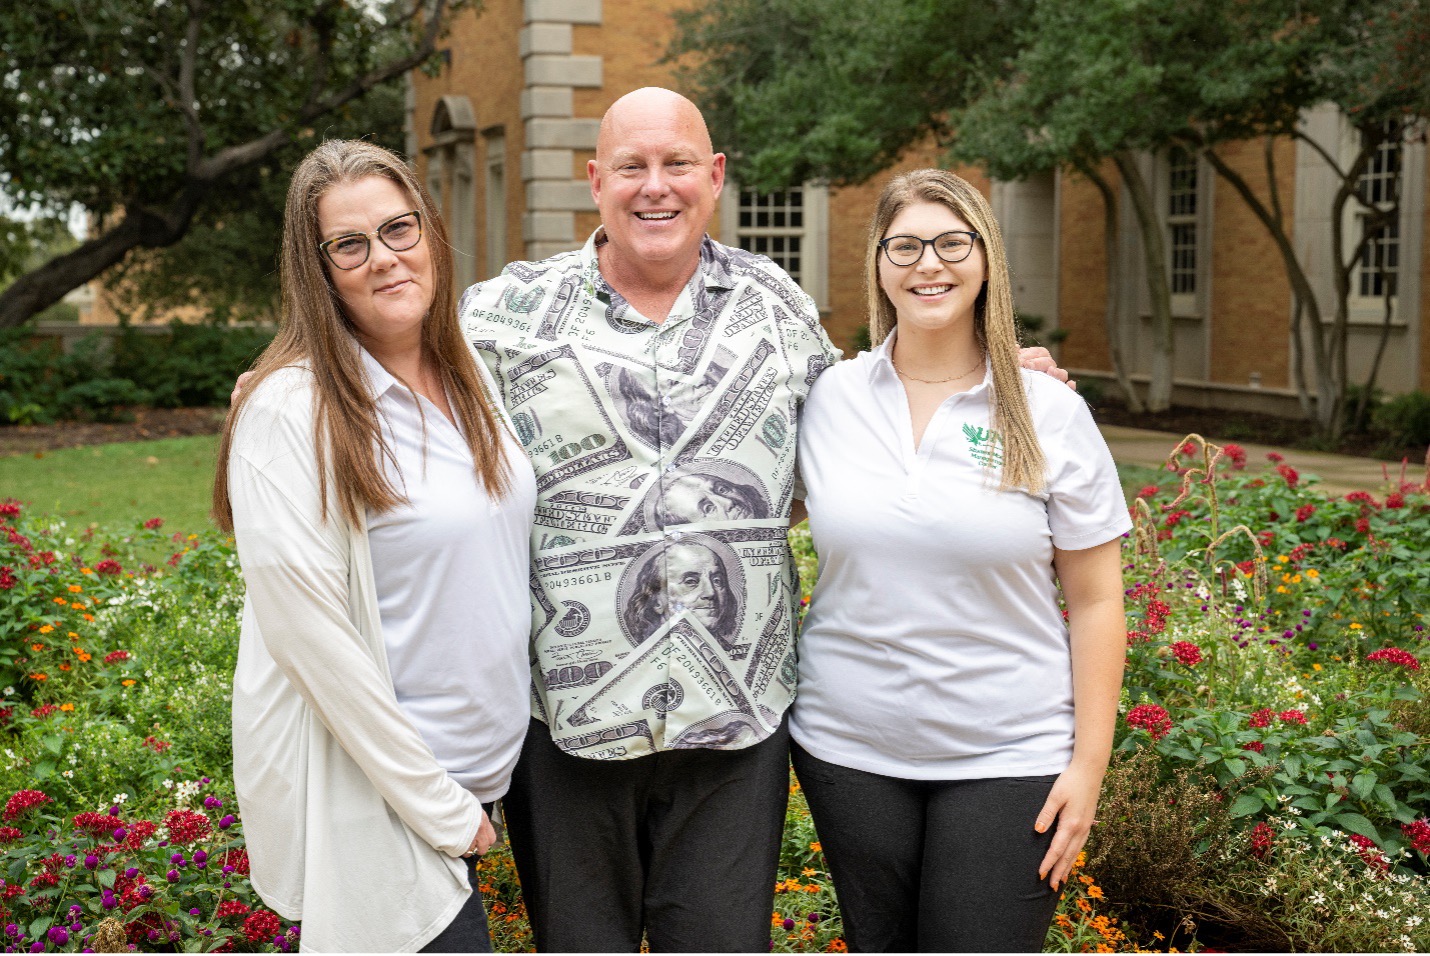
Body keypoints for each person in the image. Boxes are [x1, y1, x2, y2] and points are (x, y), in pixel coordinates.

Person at [456, 87, 1073, 952]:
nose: (654, 187)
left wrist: (999, 366)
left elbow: (867, 406)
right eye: (631, 167)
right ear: (595, 180)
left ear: (713, 177)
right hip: (568, 721)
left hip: (735, 723)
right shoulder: (502, 315)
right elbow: (381, 348)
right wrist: (285, 366)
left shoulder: (774, 305)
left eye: (677, 165)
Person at [789, 169, 1129, 952]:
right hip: (849, 749)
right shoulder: (830, 399)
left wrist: (1089, 765)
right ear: (878, 263)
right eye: (904, 245)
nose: (928, 264)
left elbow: (1098, 600)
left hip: (1011, 754)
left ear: (986, 260)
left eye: (951, 243)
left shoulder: (1048, 411)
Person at [214, 140, 536, 952]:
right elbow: (309, 640)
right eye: (349, 245)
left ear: (429, 229)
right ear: (316, 267)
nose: (385, 259)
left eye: (400, 229)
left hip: (485, 781)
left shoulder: (469, 373)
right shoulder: (295, 411)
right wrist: (443, 810)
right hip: (382, 801)